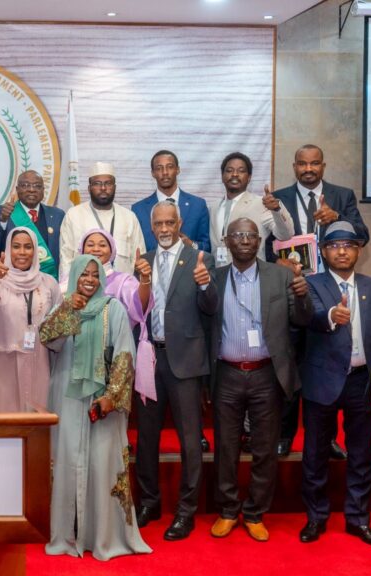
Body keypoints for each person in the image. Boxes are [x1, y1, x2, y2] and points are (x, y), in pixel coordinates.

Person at [204, 217, 312, 542]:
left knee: (265, 447)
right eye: (237, 235)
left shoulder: (281, 276)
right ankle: (227, 510)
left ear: (258, 240)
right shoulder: (214, 278)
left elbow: (302, 319)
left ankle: (254, 512)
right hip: (227, 373)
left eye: (250, 235)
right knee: (226, 447)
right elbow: (203, 316)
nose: (244, 240)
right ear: (226, 241)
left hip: (267, 372)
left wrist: (303, 296)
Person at [42, 254, 151, 561]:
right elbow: (48, 339)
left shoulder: (112, 308)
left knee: (103, 464)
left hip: (103, 399)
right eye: (84, 274)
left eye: (94, 274)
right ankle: (68, 534)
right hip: (67, 396)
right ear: (75, 276)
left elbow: (125, 355)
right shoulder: (64, 305)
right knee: (67, 461)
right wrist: (68, 310)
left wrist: (111, 397)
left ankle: (103, 535)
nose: (89, 280)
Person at [298, 221, 371, 548]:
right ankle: (316, 517)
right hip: (321, 380)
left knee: (361, 454)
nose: (342, 252)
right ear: (324, 252)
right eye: (334, 246)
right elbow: (308, 316)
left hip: (362, 383)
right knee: (315, 454)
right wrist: (331, 316)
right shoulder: (311, 284)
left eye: (349, 246)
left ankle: (358, 519)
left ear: (359, 251)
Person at [268, 144, 370, 459]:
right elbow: (269, 244)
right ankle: (284, 434)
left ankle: (328, 439)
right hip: (294, 290)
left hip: (330, 293)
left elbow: (362, 234)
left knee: (329, 365)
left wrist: (337, 217)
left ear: (323, 166)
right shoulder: (280, 197)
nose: (308, 169)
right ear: (294, 167)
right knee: (290, 363)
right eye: (302, 164)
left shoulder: (342, 195)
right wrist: (278, 263)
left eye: (314, 163)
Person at [133, 202, 215, 541]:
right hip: (150, 359)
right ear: (152, 226)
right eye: (159, 224)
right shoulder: (144, 261)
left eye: (170, 223)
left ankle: (186, 511)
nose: (165, 229)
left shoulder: (200, 259)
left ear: (179, 223)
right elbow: (135, 309)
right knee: (146, 437)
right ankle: (149, 503)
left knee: (190, 441)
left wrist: (206, 285)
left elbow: (211, 308)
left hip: (185, 361)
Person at [0, 227, 63, 412]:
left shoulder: (48, 283)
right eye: (16, 247)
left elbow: (59, 323)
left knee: (35, 416)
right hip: (2, 362)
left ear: (35, 251)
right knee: (3, 416)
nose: (22, 252)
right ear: (8, 250)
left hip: (38, 360)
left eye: (28, 247)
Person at [58, 162, 145, 278]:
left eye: (108, 183)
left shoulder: (129, 217)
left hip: (122, 287)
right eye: (97, 184)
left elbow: (140, 260)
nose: (103, 188)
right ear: (89, 188)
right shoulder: (73, 215)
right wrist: (67, 288)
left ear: (114, 187)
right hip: (84, 287)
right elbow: (66, 259)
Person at [207, 152, 294, 268]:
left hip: (252, 272)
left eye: (241, 171)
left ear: (249, 178)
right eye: (229, 170)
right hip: (219, 274)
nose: (235, 174)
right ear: (222, 176)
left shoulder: (261, 204)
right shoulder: (213, 207)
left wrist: (277, 209)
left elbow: (286, 235)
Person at [0, 169, 65, 276]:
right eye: (25, 185)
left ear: (43, 190)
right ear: (17, 189)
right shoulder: (2, 212)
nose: (31, 190)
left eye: (37, 186)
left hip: (48, 279)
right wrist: (3, 221)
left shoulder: (57, 215)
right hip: (14, 280)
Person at [131, 150, 211, 252]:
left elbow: (207, 248)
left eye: (170, 167)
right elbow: (136, 249)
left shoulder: (198, 205)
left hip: (189, 262)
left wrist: (191, 245)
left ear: (177, 170)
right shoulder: (138, 210)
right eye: (159, 168)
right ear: (153, 173)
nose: (165, 172)